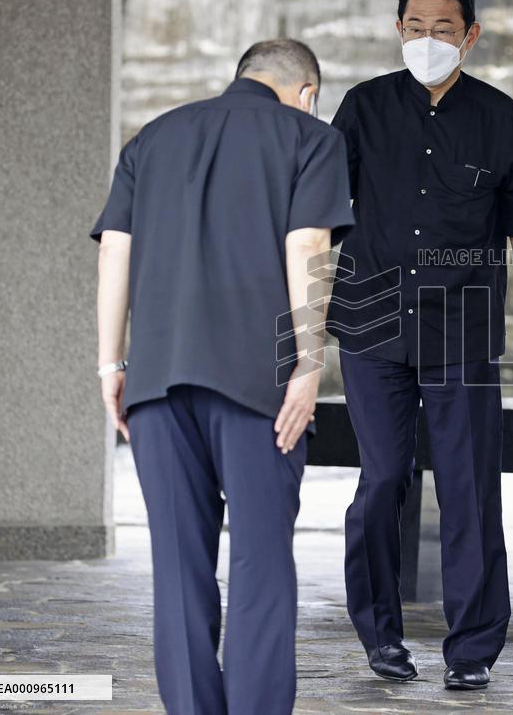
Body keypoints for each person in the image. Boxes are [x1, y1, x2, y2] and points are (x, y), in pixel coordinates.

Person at [91, 39, 354, 715]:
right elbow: (308, 244)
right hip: (256, 387)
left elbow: (115, 253)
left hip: (154, 382)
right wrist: (306, 361)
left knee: (177, 572)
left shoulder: (151, 139)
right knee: (262, 566)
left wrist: (109, 365)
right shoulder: (310, 138)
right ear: (306, 90)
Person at [328, 0, 513, 691]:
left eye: (441, 28)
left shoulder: (500, 119)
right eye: (413, 26)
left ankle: (472, 648)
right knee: (382, 481)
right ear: (398, 28)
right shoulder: (363, 108)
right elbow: (317, 218)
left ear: (470, 35)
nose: (425, 40)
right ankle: (379, 636)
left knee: (469, 487)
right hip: (372, 328)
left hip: (461, 332)